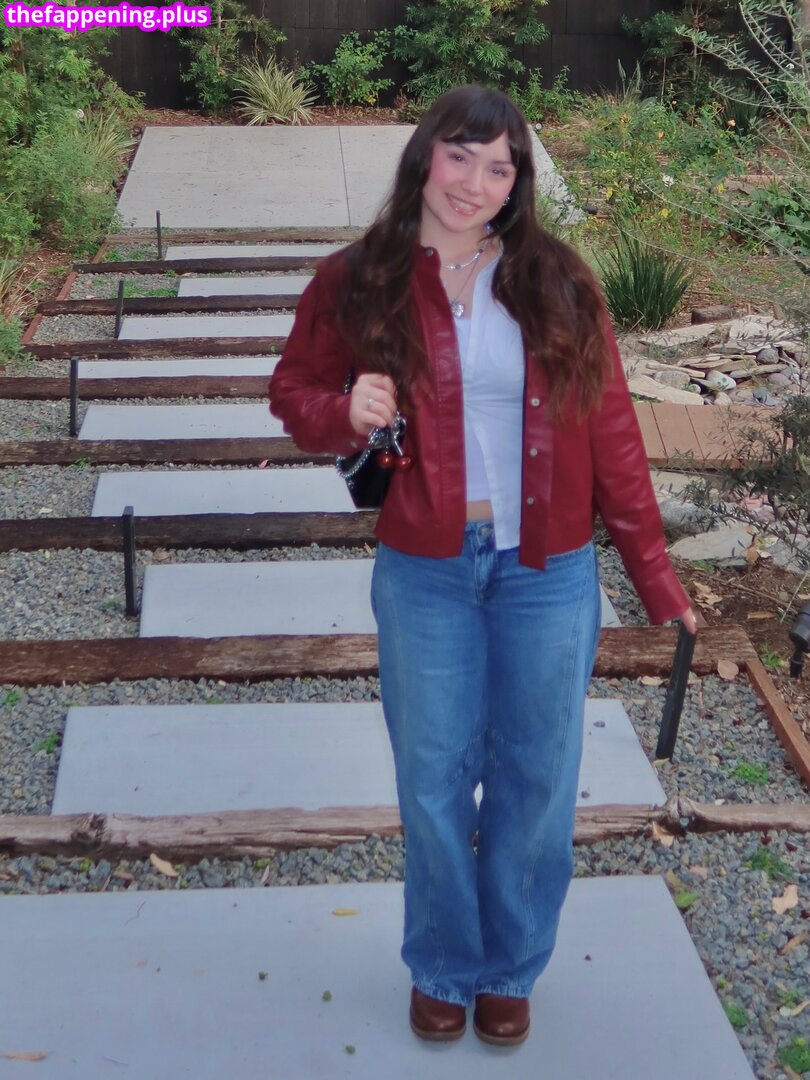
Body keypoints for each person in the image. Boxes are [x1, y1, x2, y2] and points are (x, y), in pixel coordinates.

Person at [269, 84, 697, 1048]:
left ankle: (509, 967)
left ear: (518, 184)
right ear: (426, 157)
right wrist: (342, 411)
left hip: (547, 569)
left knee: (536, 776)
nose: (474, 182)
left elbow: (614, 432)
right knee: (432, 776)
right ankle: (443, 964)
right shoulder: (359, 278)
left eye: (499, 167)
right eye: (460, 156)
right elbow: (293, 391)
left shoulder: (558, 280)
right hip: (425, 568)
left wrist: (656, 576)